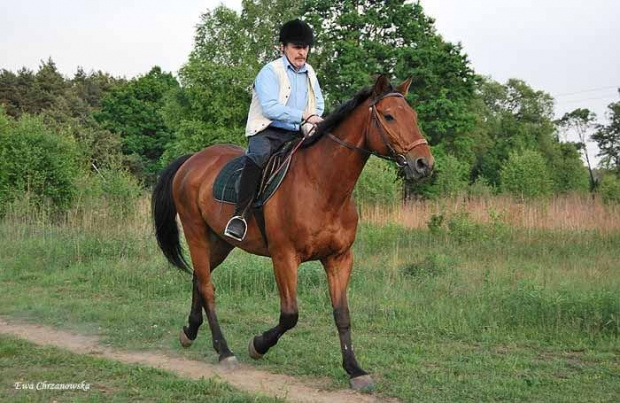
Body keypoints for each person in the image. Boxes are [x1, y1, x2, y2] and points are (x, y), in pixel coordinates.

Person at [224, 19, 325, 241]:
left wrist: (311, 120)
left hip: (298, 131)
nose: (302, 53)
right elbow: (270, 108)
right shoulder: (270, 72)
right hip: (267, 131)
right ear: (283, 47)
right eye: (296, 47)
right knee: (258, 156)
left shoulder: (310, 73)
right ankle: (239, 216)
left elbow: (318, 104)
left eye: (305, 47)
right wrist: (304, 116)